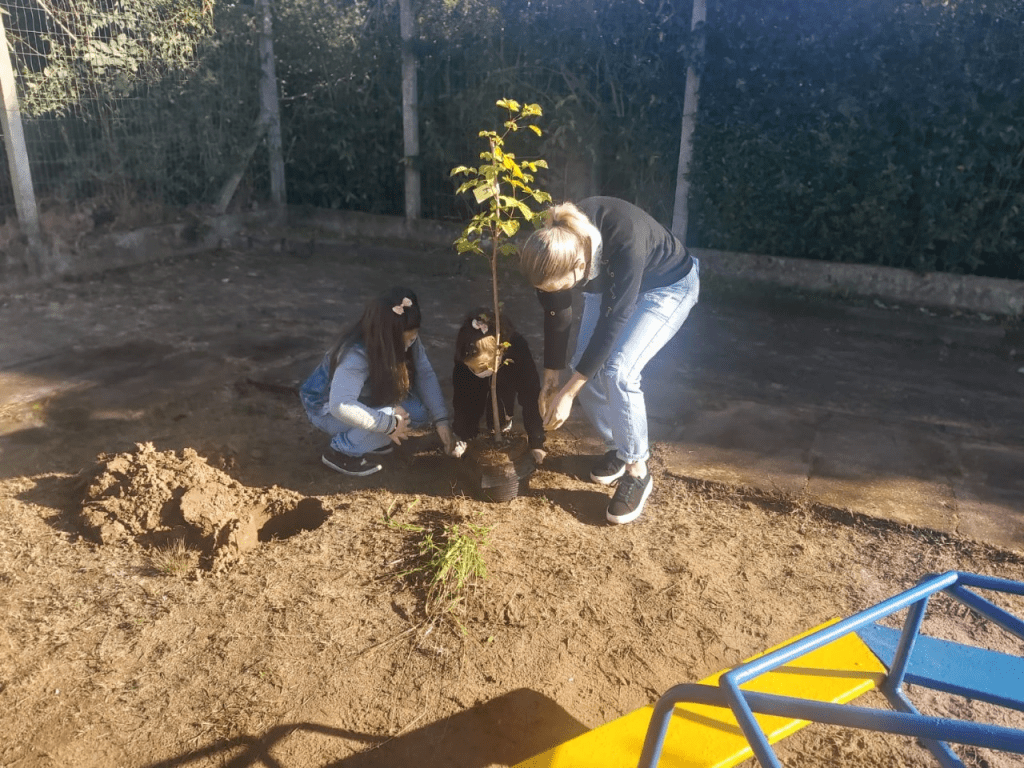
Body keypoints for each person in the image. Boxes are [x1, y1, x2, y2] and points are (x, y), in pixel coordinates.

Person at [519, 196, 700, 524]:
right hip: (612, 285)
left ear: (578, 266)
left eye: (561, 287)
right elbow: (557, 314)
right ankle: (619, 446)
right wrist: (552, 381)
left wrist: (569, 393)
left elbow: (613, 322)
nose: (555, 293)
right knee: (582, 368)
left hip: (668, 286)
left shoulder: (624, 239)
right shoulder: (556, 247)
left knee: (618, 372)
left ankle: (637, 470)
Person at [299, 287, 455, 476]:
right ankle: (342, 452)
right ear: (385, 336)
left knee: (417, 414)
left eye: (413, 339)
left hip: (366, 398)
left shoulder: (405, 336)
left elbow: (425, 373)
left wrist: (441, 419)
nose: (408, 346)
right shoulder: (355, 355)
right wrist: (387, 424)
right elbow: (341, 405)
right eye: (403, 342)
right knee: (396, 420)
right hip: (327, 410)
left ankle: (369, 439)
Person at [450, 308, 547, 464]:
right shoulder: (464, 353)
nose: (477, 371)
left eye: (482, 367)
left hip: (504, 381)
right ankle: (469, 433)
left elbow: (530, 395)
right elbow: (460, 398)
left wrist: (536, 441)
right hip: (472, 389)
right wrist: (462, 435)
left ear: (499, 351)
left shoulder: (518, 350)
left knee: (501, 401)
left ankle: (502, 422)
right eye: (472, 367)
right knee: (469, 401)